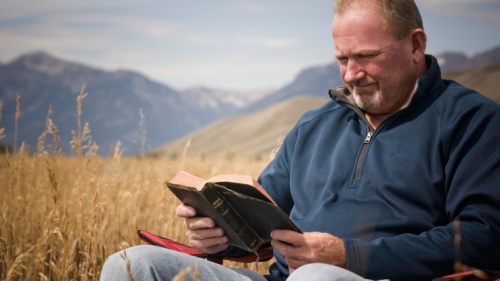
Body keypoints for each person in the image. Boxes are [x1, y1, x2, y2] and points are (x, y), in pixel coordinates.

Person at [100, 0, 500, 280]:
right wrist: (218, 234)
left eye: (366, 56)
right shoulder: (313, 125)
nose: (350, 74)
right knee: (130, 266)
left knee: (318, 277)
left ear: (416, 45)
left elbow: (486, 238)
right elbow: (260, 228)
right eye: (342, 59)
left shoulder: (472, 120)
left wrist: (349, 257)